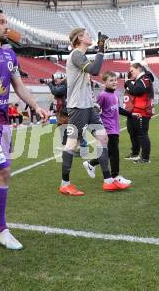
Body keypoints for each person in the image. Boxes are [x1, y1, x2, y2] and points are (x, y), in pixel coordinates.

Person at [0, 10, 48, 249]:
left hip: (4, 122)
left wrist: (35, 105)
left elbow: (19, 85)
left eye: (7, 22)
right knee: (3, 171)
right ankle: (0, 229)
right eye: (2, 22)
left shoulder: (9, 52)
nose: (7, 27)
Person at [60, 28, 124, 196]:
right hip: (78, 108)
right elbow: (95, 71)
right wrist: (101, 50)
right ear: (80, 38)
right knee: (72, 144)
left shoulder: (81, 56)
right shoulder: (76, 54)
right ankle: (65, 183)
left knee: (103, 138)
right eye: (87, 34)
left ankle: (108, 180)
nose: (90, 37)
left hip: (87, 107)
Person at [82, 71, 135, 189]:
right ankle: (115, 176)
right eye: (111, 80)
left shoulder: (115, 94)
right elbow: (95, 111)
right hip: (107, 129)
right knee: (114, 153)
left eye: (115, 80)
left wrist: (131, 115)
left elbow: (118, 109)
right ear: (104, 82)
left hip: (115, 128)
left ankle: (91, 163)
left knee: (110, 153)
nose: (114, 82)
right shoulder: (103, 95)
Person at [123, 63, 154, 164]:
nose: (130, 73)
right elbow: (131, 90)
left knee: (142, 134)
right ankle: (135, 153)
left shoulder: (145, 78)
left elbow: (138, 91)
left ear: (139, 69)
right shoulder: (137, 80)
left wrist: (128, 82)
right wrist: (129, 82)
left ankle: (145, 158)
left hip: (143, 111)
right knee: (133, 132)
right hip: (134, 111)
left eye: (132, 71)